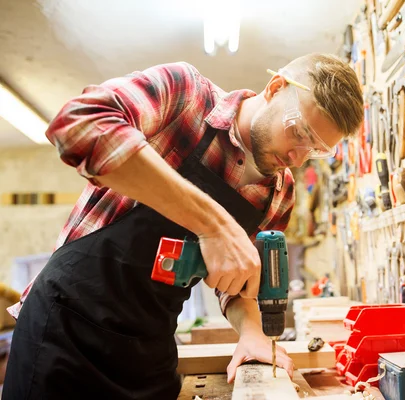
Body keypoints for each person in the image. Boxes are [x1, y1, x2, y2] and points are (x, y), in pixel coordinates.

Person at [2, 53, 363, 399]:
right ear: (275, 88)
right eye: (298, 132)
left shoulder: (278, 192)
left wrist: (252, 333)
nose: (297, 158)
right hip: (64, 333)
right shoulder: (187, 96)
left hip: (149, 351)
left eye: (315, 150)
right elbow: (79, 124)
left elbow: (237, 281)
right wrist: (213, 223)